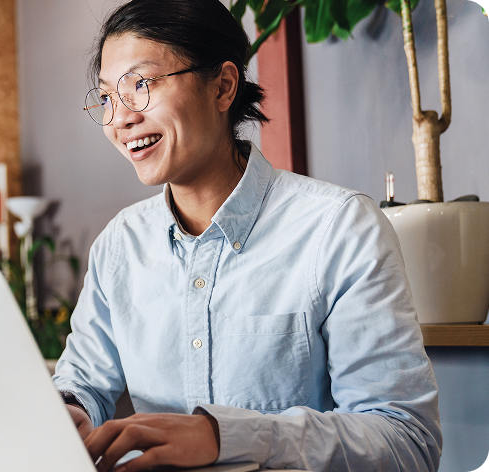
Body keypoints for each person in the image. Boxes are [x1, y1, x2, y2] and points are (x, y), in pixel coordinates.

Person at [52, 1, 442, 471]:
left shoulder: (339, 228)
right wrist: (69, 412)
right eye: (107, 97)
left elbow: (407, 441)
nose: (120, 119)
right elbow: (84, 382)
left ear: (223, 86)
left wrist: (229, 438)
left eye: (140, 85)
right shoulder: (120, 245)